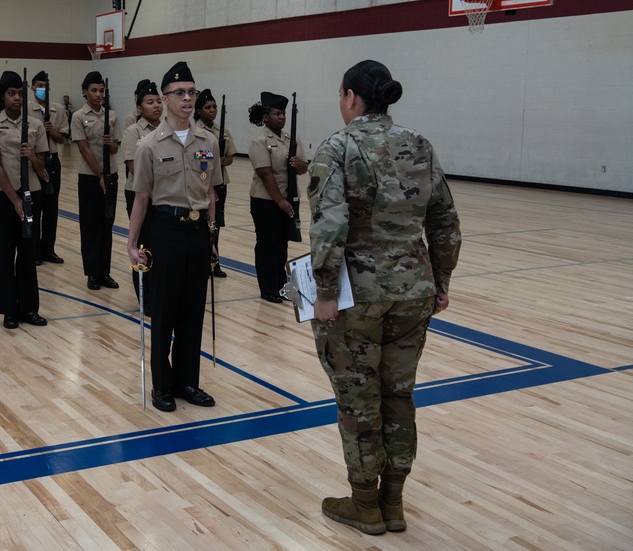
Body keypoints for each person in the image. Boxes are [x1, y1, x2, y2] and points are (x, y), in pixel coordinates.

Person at [306, 60, 461, 535]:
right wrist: (441, 282)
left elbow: (329, 226)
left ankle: (365, 504)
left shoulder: (337, 147)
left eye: (340, 94)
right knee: (398, 395)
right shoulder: (419, 144)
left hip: (358, 295)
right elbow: (445, 222)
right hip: (413, 291)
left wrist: (326, 293)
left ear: (352, 96)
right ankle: (394, 502)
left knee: (357, 398)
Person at [127, 61, 222, 412]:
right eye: (180, 93)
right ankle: (162, 386)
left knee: (192, 311)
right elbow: (141, 198)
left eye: (192, 92)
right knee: (164, 311)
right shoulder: (149, 145)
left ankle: (187, 382)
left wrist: (211, 236)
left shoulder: (207, 141)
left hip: (197, 231)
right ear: (165, 99)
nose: (187, 98)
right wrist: (131, 243)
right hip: (165, 229)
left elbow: (212, 193)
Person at [0, 70, 49, 328]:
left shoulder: (35, 125)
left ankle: (29, 308)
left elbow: (42, 165)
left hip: (32, 192)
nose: (17, 99)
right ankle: (10, 309)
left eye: (21, 94)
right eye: (11, 94)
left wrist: (31, 156)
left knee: (28, 251)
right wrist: (15, 200)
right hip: (3, 196)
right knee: (7, 251)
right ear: (2, 97)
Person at [247, 92, 307, 303]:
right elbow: (265, 174)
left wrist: (299, 165)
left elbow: (303, 168)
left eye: (283, 114)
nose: (281, 117)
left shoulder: (292, 139)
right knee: (268, 245)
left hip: (289, 199)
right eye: (277, 113)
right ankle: (268, 288)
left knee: (282, 245)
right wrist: (280, 201)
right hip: (266, 201)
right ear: (266, 116)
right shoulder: (260, 141)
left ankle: (281, 285)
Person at [71, 71, 120, 290]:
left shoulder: (112, 116)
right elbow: (83, 148)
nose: (98, 94)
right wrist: (100, 175)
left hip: (112, 175)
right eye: (93, 90)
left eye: (101, 90)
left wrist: (111, 143)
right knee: (90, 226)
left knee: (106, 223)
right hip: (90, 177)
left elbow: (116, 148)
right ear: (84, 92)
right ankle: (92, 272)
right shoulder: (79, 116)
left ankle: (105, 271)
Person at [119, 80, 162, 312]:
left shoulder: (167, 130)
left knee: (161, 246)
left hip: (163, 199)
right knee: (144, 246)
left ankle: (161, 295)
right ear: (139, 108)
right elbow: (133, 166)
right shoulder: (133, 132)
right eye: (149, 102)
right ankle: (145, 299)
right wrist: (155, 194)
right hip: (140, 196)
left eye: (157, 101)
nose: (155, 106)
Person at [194, 89, 236, 277]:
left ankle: (214, 262)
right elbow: (198, 160)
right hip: (204, 183)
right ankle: (202, 261)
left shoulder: (222, 130)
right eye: (207, 107)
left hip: (221, 182)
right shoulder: (195, 130)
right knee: (205, 224)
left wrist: (222, 161)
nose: (212, 110)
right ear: (199, 111)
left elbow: (230, 158)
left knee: (216, 224)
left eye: (214, 107)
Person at [29, 70, 68, 265]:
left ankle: (48, 249)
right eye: (39, 86)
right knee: (35, 207)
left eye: (45, 86)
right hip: (34, 162)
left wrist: (52, 130)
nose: (42, 89)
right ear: (32, 87)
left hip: (52, 161)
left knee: (51, 208)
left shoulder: (58, 109)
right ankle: (34, 249)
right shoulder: (26, 109)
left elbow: (62, 139)